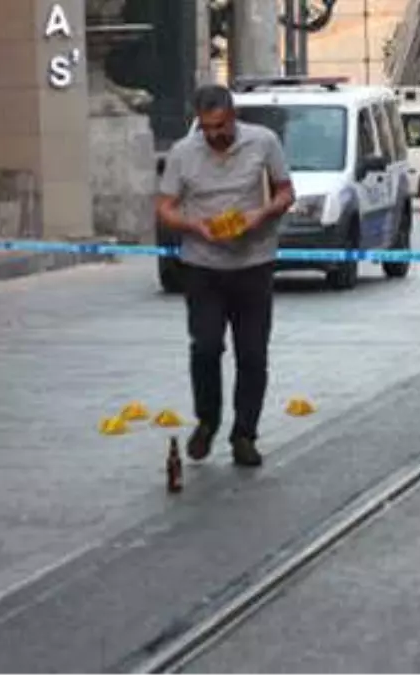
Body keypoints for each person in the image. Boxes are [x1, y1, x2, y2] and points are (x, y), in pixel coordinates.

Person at [155, 85, 296, 467]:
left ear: (233, 116)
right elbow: (164, 207)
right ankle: (207, 421)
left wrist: (261, 214)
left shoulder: (264, 142)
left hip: (254, 263)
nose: (214, 135)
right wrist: (192, 226)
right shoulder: (184, 153)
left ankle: (245, 434)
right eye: (206, 127)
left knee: (252, 353)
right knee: (205, 346)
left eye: (220, 126)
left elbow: (286, 192)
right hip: (203, 265)